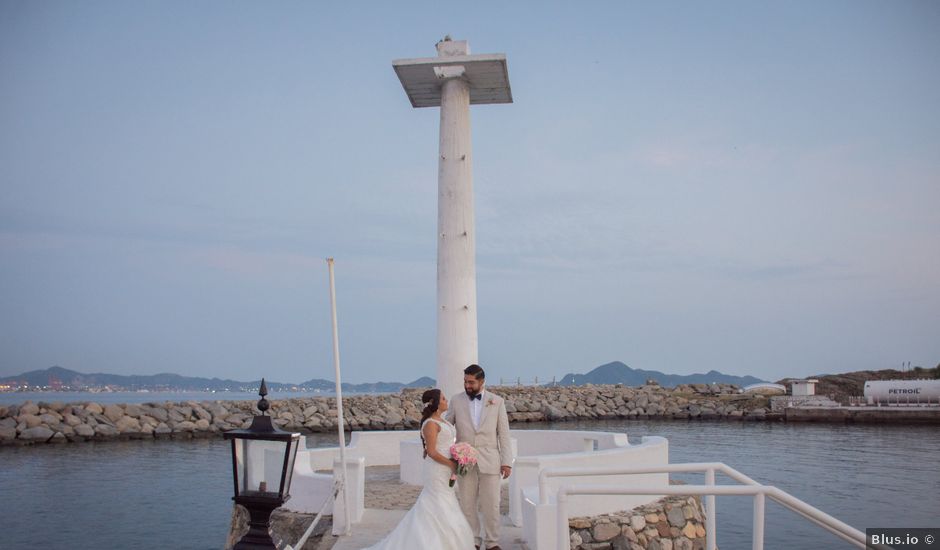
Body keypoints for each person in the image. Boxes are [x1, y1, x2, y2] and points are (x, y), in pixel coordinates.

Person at [364, 388, 475, 550]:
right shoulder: (431, 424)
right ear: (435, 403)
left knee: (445, 501)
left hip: (445, 468)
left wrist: (459, 455)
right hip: (438, 468)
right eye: (443, 399)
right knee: (437, 502)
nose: (446, 401)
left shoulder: (443, 422)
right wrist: (451, 463)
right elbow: (431, 451)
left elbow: (445, 444)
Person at [445, 364, 513, 550]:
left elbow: (504, 434)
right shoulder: (456, 400)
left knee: (492, 505)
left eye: (471, 382)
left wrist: (507, 462)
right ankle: (473, 540)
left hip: (490, 460)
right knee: (467, 505)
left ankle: (492, 543)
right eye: (465, 381)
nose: (467, 385)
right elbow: (447, 427)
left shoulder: (497, 401)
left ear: (482, 381)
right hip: (464, 463)